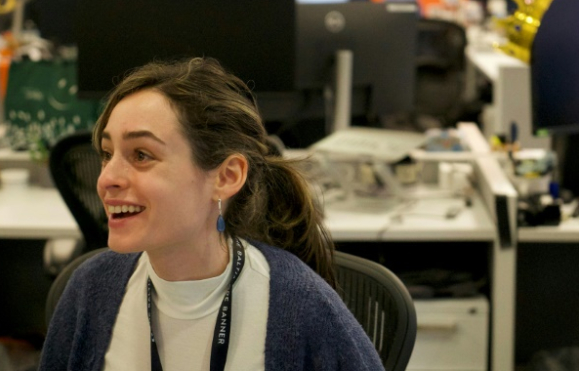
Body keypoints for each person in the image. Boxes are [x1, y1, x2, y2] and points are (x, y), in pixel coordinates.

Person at [38, 57, 385, 371]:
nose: (106, 179)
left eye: (141, 155)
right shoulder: (90, 289)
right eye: (106, 154)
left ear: (226, 177)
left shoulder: (303, 309)